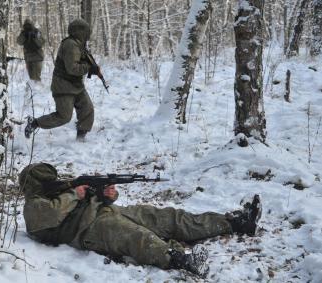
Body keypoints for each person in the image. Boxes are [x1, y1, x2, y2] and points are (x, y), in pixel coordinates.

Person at [19, 163, 262, 278]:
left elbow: (92, 197)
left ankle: (234, 222)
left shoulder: (60, 190)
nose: (58, 181)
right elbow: (51, 215)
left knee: (167, 217)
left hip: (105, 212)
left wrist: (107, 195)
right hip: (87, 230)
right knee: (137, 237)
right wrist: (75, 193)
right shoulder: (32, 207)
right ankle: (179, 259)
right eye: (49, 180)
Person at [24, 19, 99, 142]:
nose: (88, 34)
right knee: (64, 116)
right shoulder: (70, 45)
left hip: (75, 85)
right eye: (86, 31)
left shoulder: (79, 44)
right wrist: (88, 67)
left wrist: (91, 65)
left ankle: (80, 140)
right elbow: (72, 68)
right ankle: (35, 123)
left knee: (87, 109)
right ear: (79, 31)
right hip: (63, 86)